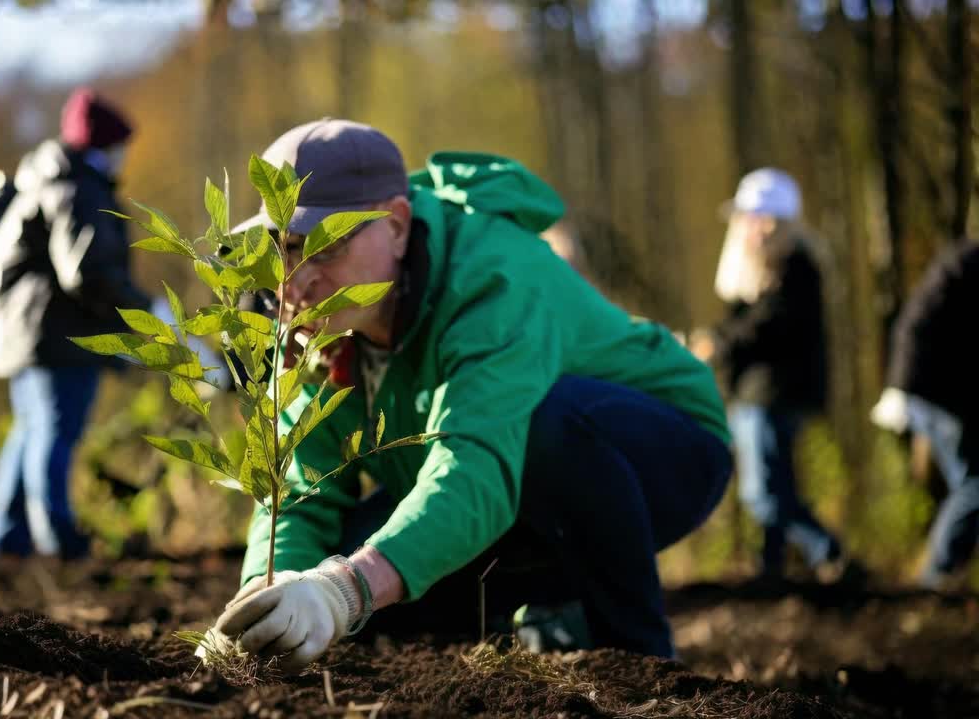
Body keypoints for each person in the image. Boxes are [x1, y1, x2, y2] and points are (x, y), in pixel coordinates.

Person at [204, 118, 733, 672]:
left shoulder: (493, 277)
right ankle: (550, 614)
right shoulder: (318, 325)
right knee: (364, 560)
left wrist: (345, 590)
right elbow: (299, 489)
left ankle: (641, 659)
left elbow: (475, 465)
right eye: (283, 248)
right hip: (507, 485)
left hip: (664, 455)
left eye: (323, 246)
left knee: (547, 429)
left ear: (398, 225)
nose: (295, 281)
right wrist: (268, 599)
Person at [0, 88, 228, 560]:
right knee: (54, 429)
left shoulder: (44, 180)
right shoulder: (79, 187)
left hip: (24, 332)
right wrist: (145, 308)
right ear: (105, 146)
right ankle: (58, 540)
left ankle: (2, 537)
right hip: (57, 334)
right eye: (120, 147)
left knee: (30, 427)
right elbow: (86, 272)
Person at [691, 168, 857, 583]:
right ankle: (772, 571)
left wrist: (718, 343)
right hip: (764, 393)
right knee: (776, 485)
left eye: (756, 218)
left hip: (773, 394)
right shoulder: (768, 270)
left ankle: (829, 552)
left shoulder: (794, 267)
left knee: (762, 494)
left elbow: (769, 326)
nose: (748, 227)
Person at [871, 241, 979, 591]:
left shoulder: (961, 263)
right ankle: (936, 576)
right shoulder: (965, 265)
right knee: (974, 485)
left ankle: (942, 573)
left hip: (936, 392)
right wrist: (904, 388)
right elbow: (916, 325)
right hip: (936, 393)